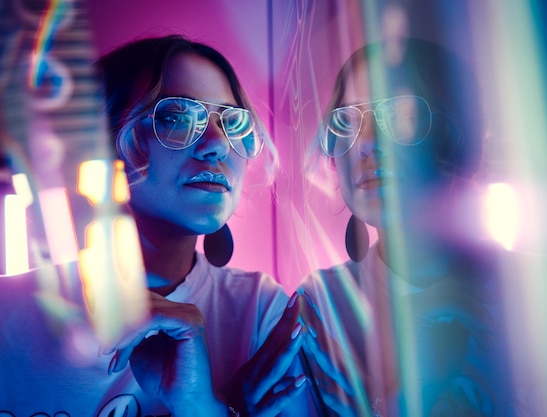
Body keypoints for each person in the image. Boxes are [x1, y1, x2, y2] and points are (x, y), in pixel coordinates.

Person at [0, 34, 312, 417]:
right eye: (176, 116)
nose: (217, 144)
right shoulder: (7, 315)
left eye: (232, 122)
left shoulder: (260, 313)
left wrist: (204, 409)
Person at [298, 38, 513, 416]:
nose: (366, 144)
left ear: (455, 137)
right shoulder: (321, 306)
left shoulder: (540, 295)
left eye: (401, 115)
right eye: (347, 121)